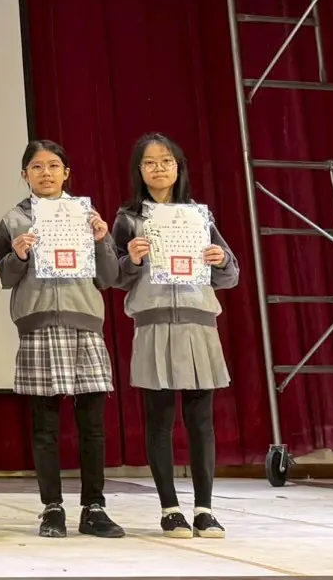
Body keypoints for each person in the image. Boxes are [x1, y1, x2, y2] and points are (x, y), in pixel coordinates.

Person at [0, 139, 124, 539]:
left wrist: (102, 239)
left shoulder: (86, 216)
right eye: (36, 167)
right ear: (24, 175)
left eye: (53, 166)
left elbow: (110, 277)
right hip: (38, 326)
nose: (45, 173)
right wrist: (18, 255)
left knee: (92, 425)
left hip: (85, 324)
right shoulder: (15, 219)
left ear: (66, 173)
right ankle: (52, 508)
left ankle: (94, 507)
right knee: (44, 425)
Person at [113, 132, 238, 540]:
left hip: (198, 323)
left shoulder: (199, 216)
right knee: (160, 419)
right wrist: (131, 260)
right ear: (139, 170)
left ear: (178, 167)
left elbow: (230, 274)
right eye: (150, 162)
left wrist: (220, 259)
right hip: (153, 324)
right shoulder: (128, 218)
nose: (159, 168)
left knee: (201, 420)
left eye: (166, 161)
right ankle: (170, 509)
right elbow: (112, 275)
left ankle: (205, 509)